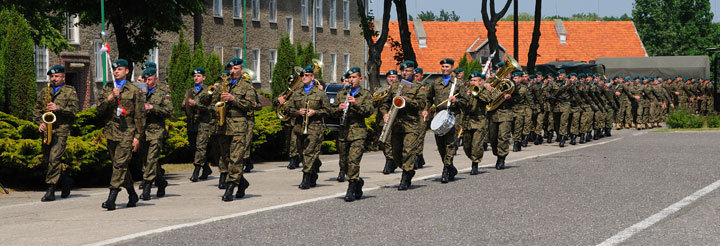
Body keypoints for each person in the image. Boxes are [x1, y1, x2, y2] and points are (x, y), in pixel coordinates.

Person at [98, 59, 145, 210]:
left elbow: (140, 115)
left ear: (127, 71)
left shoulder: (134, 90)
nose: (116, 72)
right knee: (120, 165)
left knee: (119, 165)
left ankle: (112, 198)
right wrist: (110, 98)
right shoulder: (108, 88)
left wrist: (137, 136)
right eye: (115, 70)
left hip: (127, 131)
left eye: (120, 69)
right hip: (111, 132)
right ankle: (132, 193)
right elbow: (99, 109)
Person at [34, 65, 79, 202]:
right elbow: (37, 110)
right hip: (47, 130)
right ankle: (66, 181)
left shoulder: (70, 91)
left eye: (57, 76)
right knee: (47, 161)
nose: (54, 79)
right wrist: (39, 123)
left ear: (63, 77)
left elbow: (75, 110)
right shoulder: (44, 92)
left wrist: (58, 108)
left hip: (61, 130)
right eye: (52, 77)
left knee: (54, 159)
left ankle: (51, 190)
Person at [380, 60, 426, 190]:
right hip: (396, 124)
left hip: (411, 125)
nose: (405, 73)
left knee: (408, 151)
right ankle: (408, 170)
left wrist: (408, 100)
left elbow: (421, 104)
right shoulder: (395, 86)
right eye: (403, 71)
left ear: (413, 71)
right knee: (396, 153)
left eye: (408, 71)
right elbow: (385, 103)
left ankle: (405, 177)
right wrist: (385, 114)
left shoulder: (418, 87)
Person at [285, 65, 331, 189]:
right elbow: (288, 108)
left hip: (314, 128)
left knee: (309, 153)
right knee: (301, 153)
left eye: (306, 76)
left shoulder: (320, 93)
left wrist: (315, 112)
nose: (303, 77)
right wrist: (297, 112)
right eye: (302, 76)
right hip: (299, 127)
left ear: (312, 77)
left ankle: (305, 178)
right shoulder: (297, 92)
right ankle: (312, 173)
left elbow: (328, 110)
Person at [217, 58, 257, 201]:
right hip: (223, 126)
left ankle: (230, 187)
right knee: (226, 159)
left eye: (235, 69)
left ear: (241, 69)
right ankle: (242, 183)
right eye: (231, 69)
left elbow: (251, 105)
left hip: (239, 126)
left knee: (236, 158)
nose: (232, 72)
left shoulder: (247, 86)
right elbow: (211, 102)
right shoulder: (224, 84)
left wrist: (233, 99)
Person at [333, 67, 374, 201]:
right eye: (349, 78)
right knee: (344, 164)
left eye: (354, 77)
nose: (351, 80)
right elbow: (330, 111)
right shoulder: (341, 93)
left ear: (360, 79)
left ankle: (350, 190)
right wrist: (338, 109)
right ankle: (357, 182)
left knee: (353, 161)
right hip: (343, 133)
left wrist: (355, 104)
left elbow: (369, 111)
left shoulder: (365, 94)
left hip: (358, 133)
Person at [426, 58, 465, 183]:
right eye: (443, 66)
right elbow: (428, 98)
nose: (444, 68)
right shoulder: (435, 83)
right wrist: (428, 109)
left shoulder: (458, 83)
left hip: (453, 116)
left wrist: (456, 101)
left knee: (450, 143)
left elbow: (466, 102)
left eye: (447, 66)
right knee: (440, 144)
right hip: (439, 116)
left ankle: (446, 169)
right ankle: (450, 167)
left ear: (452, 68)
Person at [136, 68, 172, 200]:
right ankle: (161, 182)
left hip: (156, 130)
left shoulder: (163, 91)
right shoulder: (140, 92)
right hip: (142, 130)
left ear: (155, 79)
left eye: (149, 79)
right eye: (145, 79)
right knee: (147, 160)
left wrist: (153, 108)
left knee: (151, 159)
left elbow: (169, 110)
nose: (147, 82)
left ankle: (147, 187)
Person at [184, 68, 214, 182]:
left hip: (203, 123)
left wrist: (196, 104)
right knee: (193, 148)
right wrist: (185, 105)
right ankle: (206, 168)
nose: (196, 78)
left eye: (198, 76)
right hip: (192, 123)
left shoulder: (208, 90)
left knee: (201, 147)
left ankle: (196, 171)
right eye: (195, 76)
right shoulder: (189, 91)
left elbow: (211, 107)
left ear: (204, 78)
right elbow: (186, 105)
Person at [461, 71, 491, 175]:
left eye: (475, 80)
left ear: (480, 81)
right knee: (466, 145)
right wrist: (466, 96)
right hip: (467, 120)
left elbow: (488, 99)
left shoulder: (484, 90)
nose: (473, 82)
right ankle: (473, 158)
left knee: (477, 144)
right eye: (471, 80)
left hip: (479, 120)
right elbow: (461, 104)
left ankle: (475, 165)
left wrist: (477, 93)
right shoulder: (465, 91)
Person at [376, 70, 398, 174]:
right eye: (389, 77)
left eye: (393, 77)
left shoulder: (400, 89)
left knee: (389, 141)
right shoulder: (381, 89)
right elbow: (375, 103)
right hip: (381, 119)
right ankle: (392, 160)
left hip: (394, 119)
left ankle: (390, 161)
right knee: (382, 143)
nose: (391, 79)